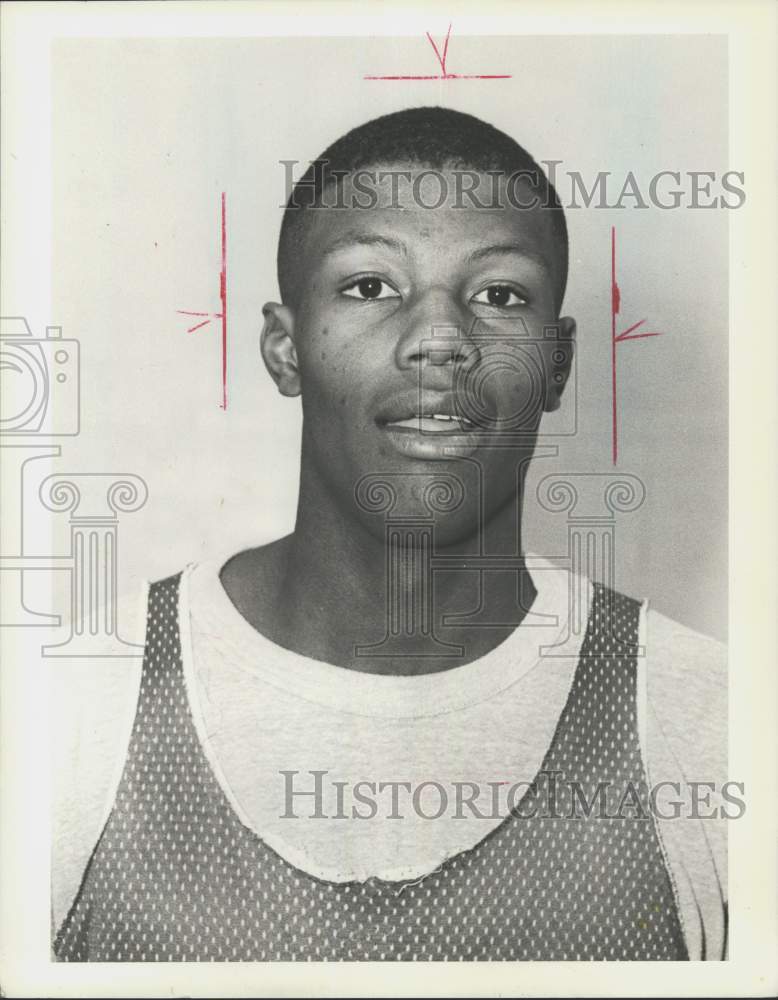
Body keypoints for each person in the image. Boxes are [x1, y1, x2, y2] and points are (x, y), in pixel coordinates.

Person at [52, 106, 728, 962]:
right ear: (285, 347)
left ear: (557, 364)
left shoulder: (711, 722)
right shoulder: (68, 707)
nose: (440, 339)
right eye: (370, 286)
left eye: (498, 294)